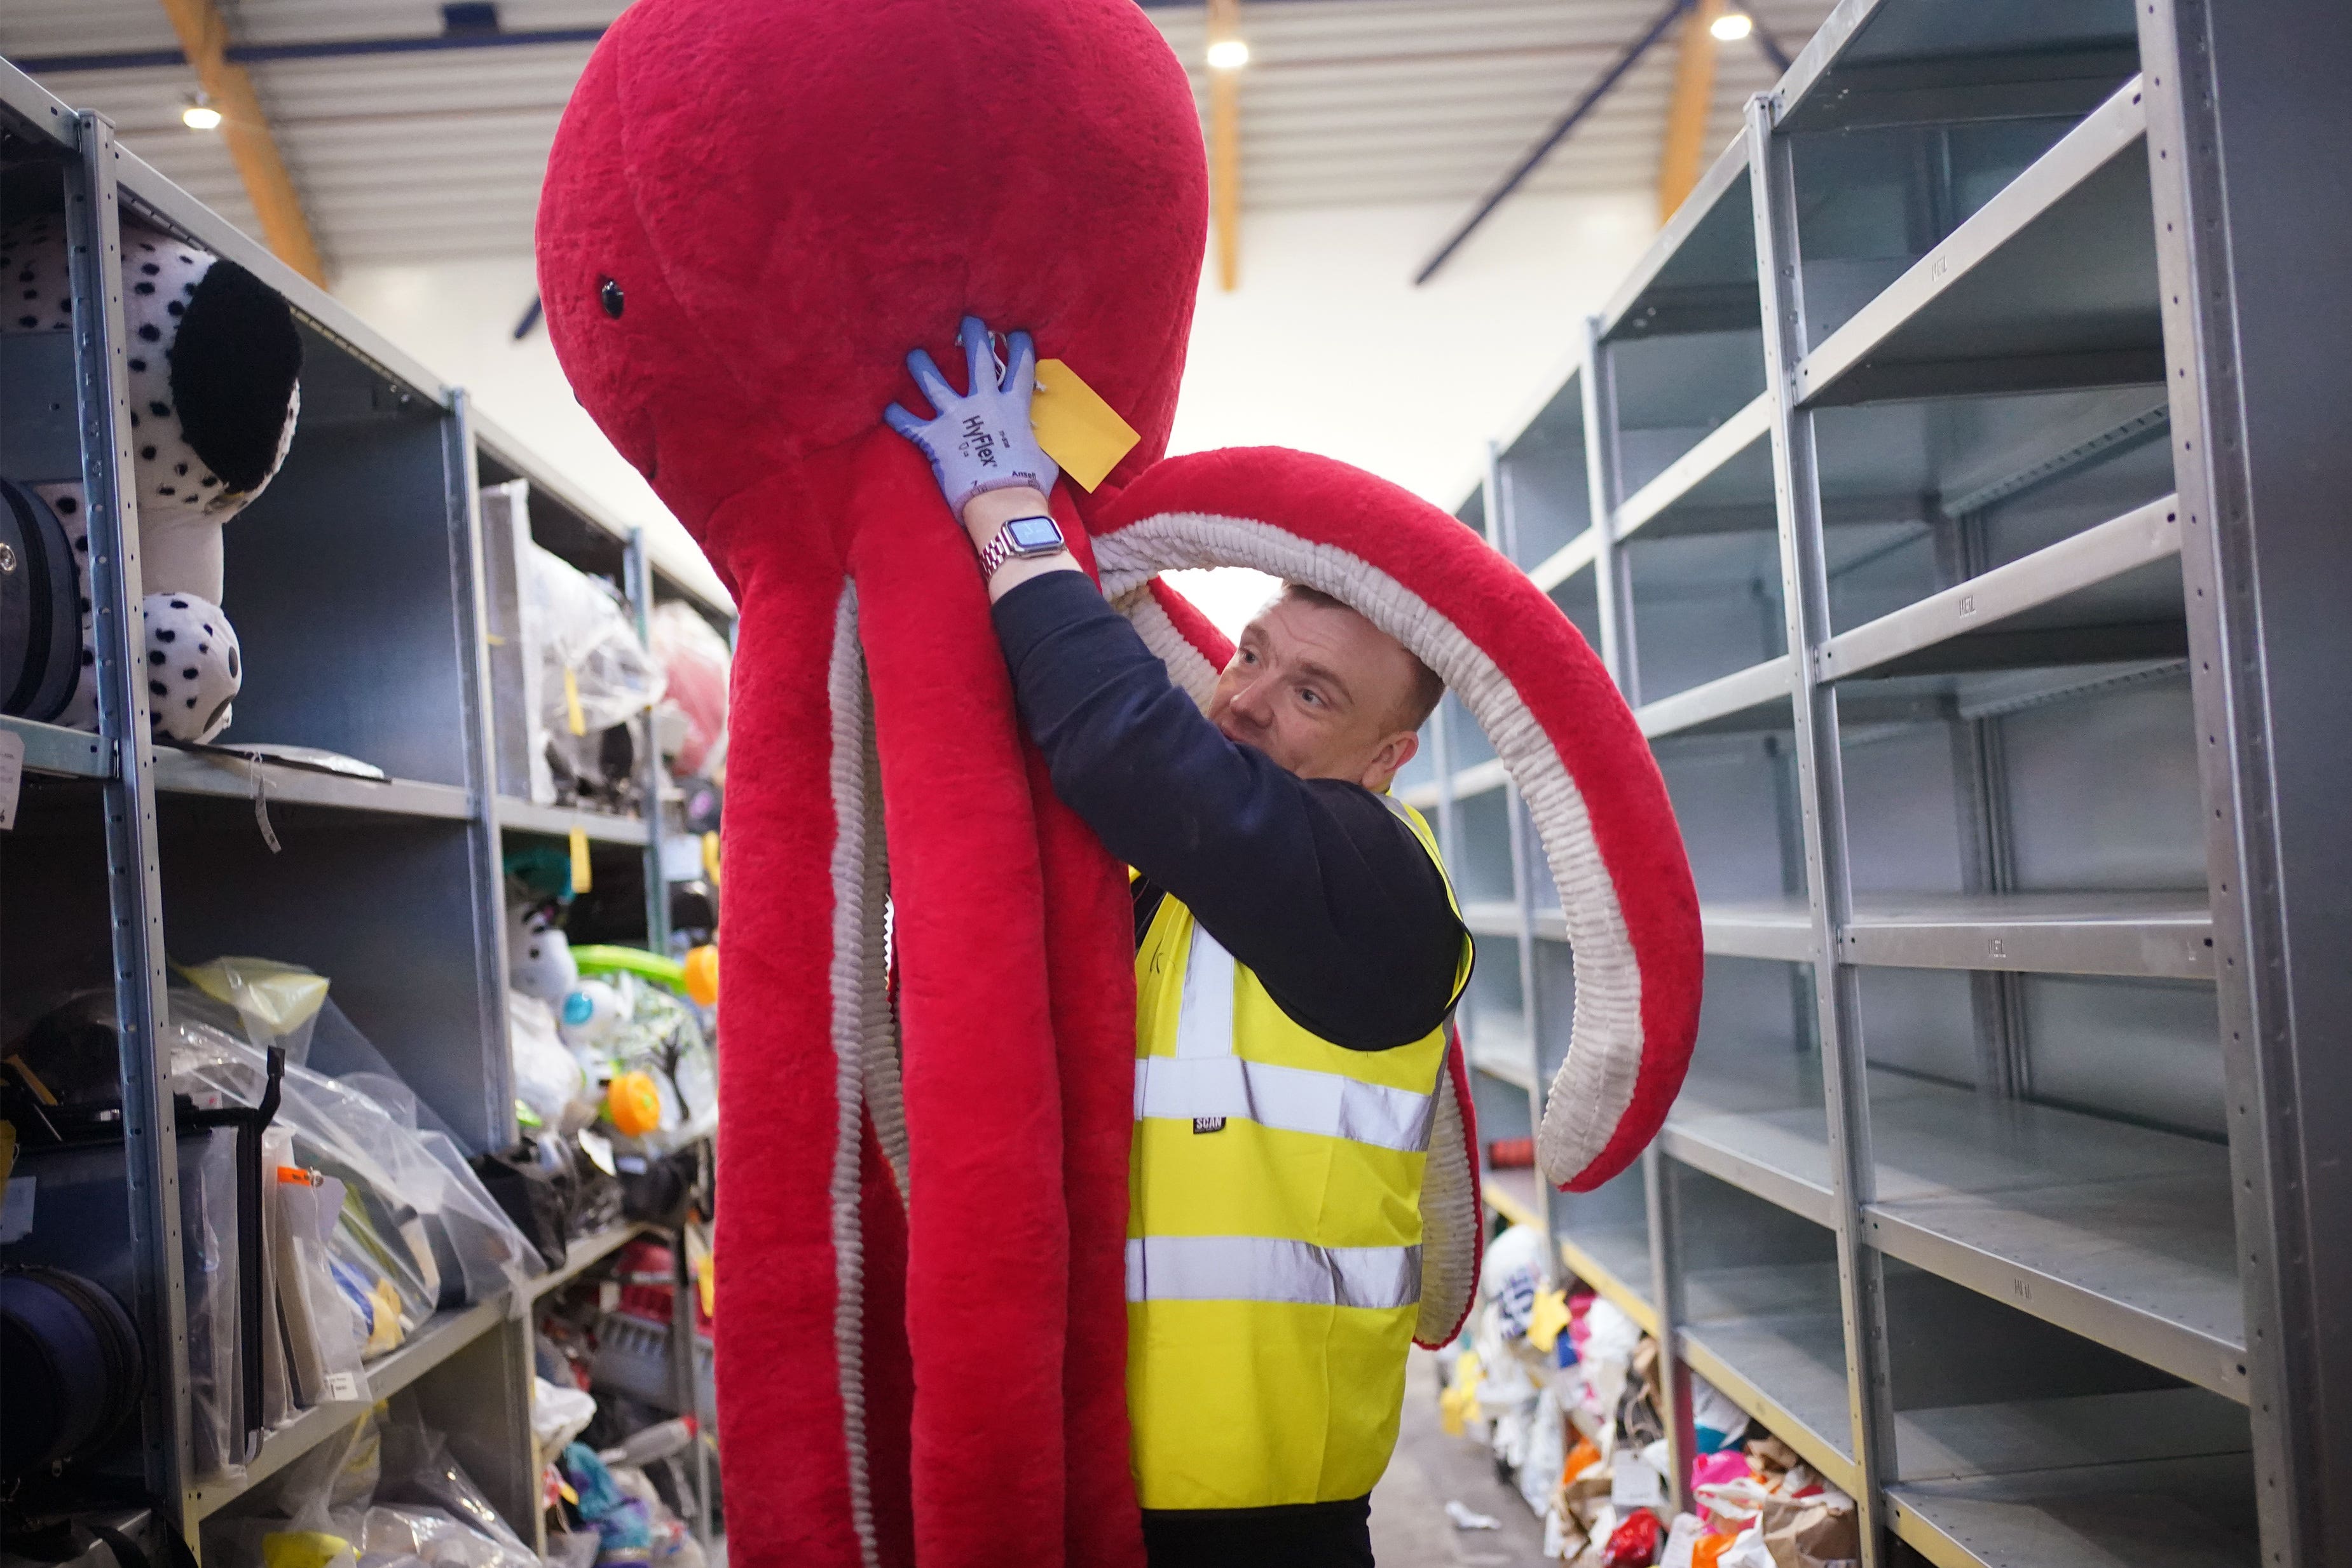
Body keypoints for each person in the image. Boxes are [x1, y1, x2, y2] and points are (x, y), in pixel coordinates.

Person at [887, 318, 1471, 1568]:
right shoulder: (1181, 871)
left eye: (1312, 692)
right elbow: (1135, 686)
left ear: (1386, 757)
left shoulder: (1375, 886)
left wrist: (1004, 506)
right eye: (1251, 653)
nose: (1248, 698)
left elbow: (1124, 738)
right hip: (1099, 1474)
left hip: (1259, 1520)